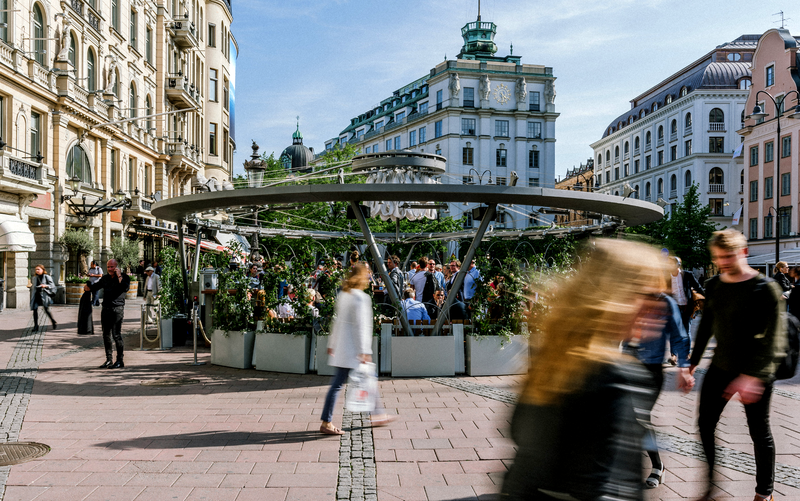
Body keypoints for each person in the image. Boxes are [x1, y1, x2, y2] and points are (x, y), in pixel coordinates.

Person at [502, 239, 664, 501]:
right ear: (617, 295)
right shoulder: (614, 375)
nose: (656, 308)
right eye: (647, 296)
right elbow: (606, 486)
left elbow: (519, 431)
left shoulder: (555, 356)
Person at [689, 230, 786, 501]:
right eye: (719, 258)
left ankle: (764, 493)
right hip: (721, 366)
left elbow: (774, 339)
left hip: (755, 372)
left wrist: (752, 377)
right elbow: (707, 324)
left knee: (759, 431)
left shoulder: (765, 288)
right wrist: (693, 363)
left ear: (743, 253)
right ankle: (710, 486)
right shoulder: (715, 285)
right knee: (705, 424)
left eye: (729, 257)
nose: (724, 263)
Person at [626, 287, 694, 489]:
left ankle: (658, 466)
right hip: (626, 365)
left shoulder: (665, 302)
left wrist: (683, 368)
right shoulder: (629, 295)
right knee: (627, 417)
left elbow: (679, 336)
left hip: (651, 368)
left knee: (640, 416)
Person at [320, 263, 393, 435]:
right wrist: (364, 350)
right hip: (354, 349)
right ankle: (327, 422)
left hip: (343, 348)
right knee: (358, 380)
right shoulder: (361, 297)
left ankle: (377, 414)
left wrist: (332, 343)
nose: (369, 277)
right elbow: (362, 326)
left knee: (349, 382)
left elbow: (336, 322)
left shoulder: (344, 295)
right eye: (367, 274)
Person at [85, 259, 131, 369]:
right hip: (105, 309)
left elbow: (125, 287)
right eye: (108, 267)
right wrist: (88, 287)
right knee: (106, 335)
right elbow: (96, 286)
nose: (110, 269)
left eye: (112, 267)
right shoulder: (105, 278)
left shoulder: (124, 277)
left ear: (117, 267)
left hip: (117, 309)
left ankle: (120, 360)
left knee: (116, 335)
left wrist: (119, 275)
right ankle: (109, 360)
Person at [30, 264, 57, 331]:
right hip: (36, 295)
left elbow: (52, 285)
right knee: (35, 310)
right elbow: (34, 286)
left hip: (44, 296)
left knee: (46, 310)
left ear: (43, 270)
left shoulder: (47, 277)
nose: (37, 271)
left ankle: (53, 321)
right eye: (36, 269)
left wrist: (45, 286)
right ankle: (36, 326)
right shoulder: (35, 278)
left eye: (38, 269)